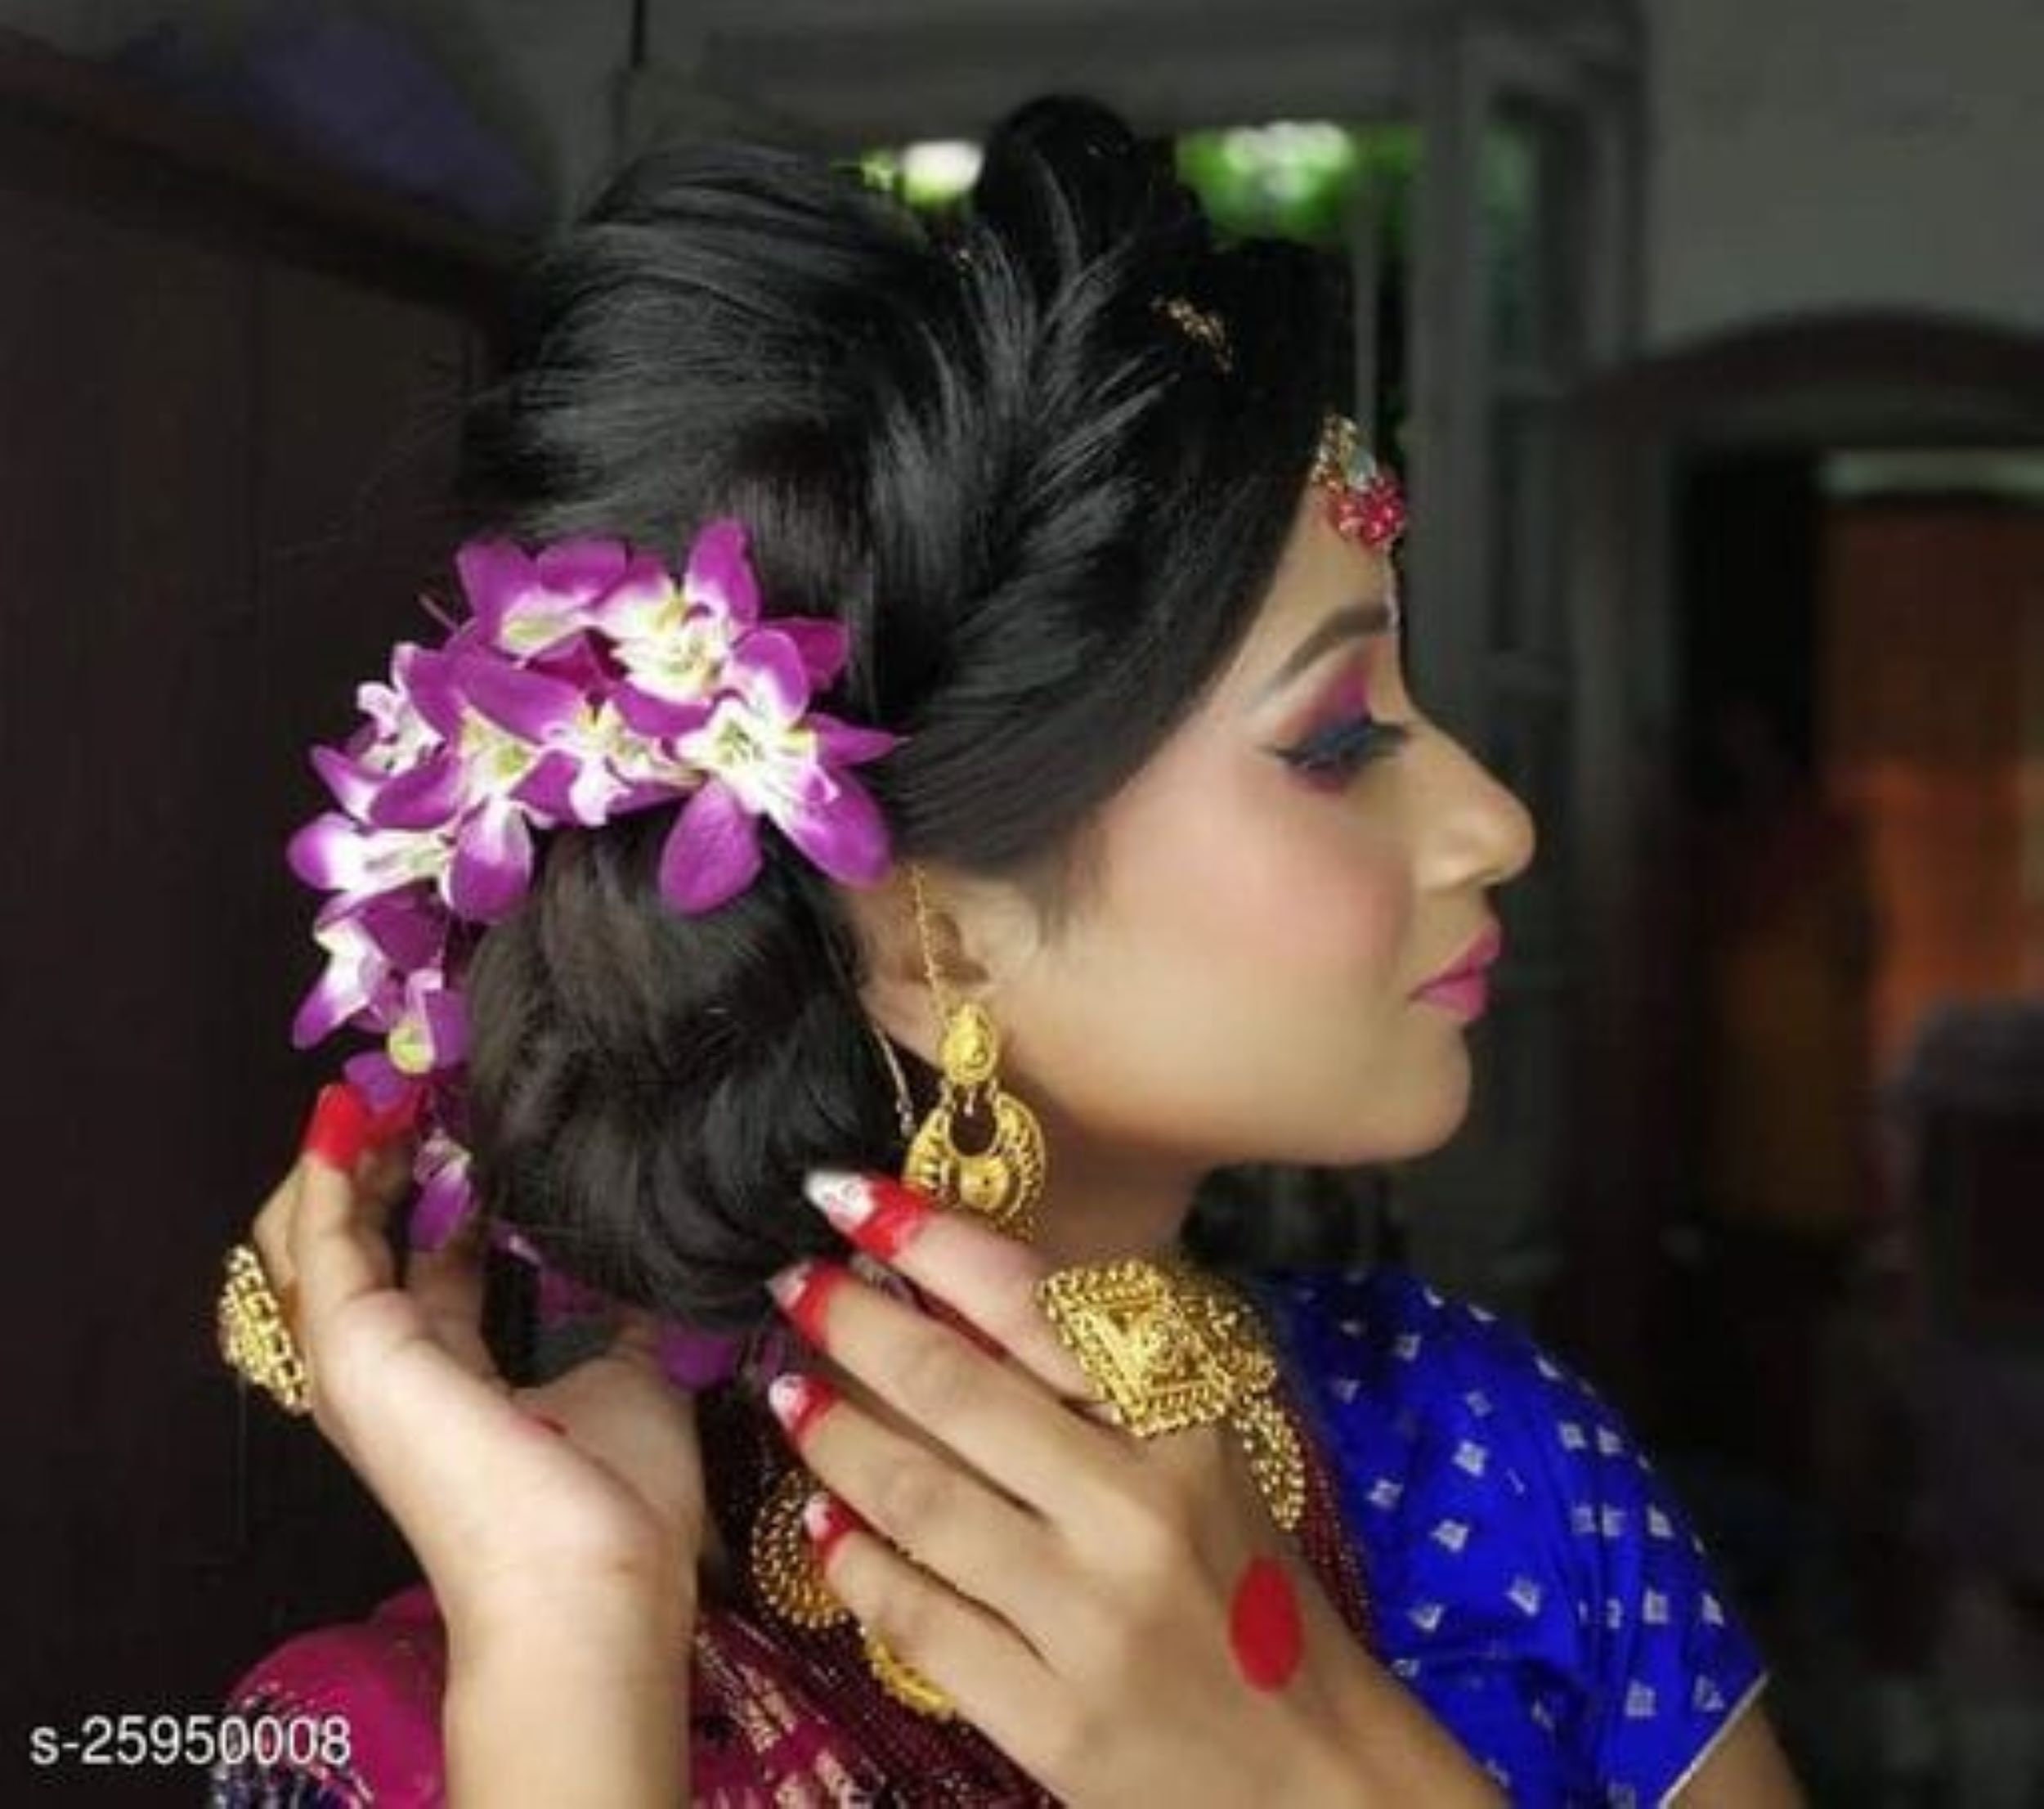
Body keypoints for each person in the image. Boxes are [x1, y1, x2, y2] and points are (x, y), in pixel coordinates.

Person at [208, 95, 1805, 1807]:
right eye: (1338, 738)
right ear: (913, 909)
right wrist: (572, 1639)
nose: (1494, 818)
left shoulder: (1484, 1455)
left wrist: (1301, 1768)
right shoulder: (433, 1713)